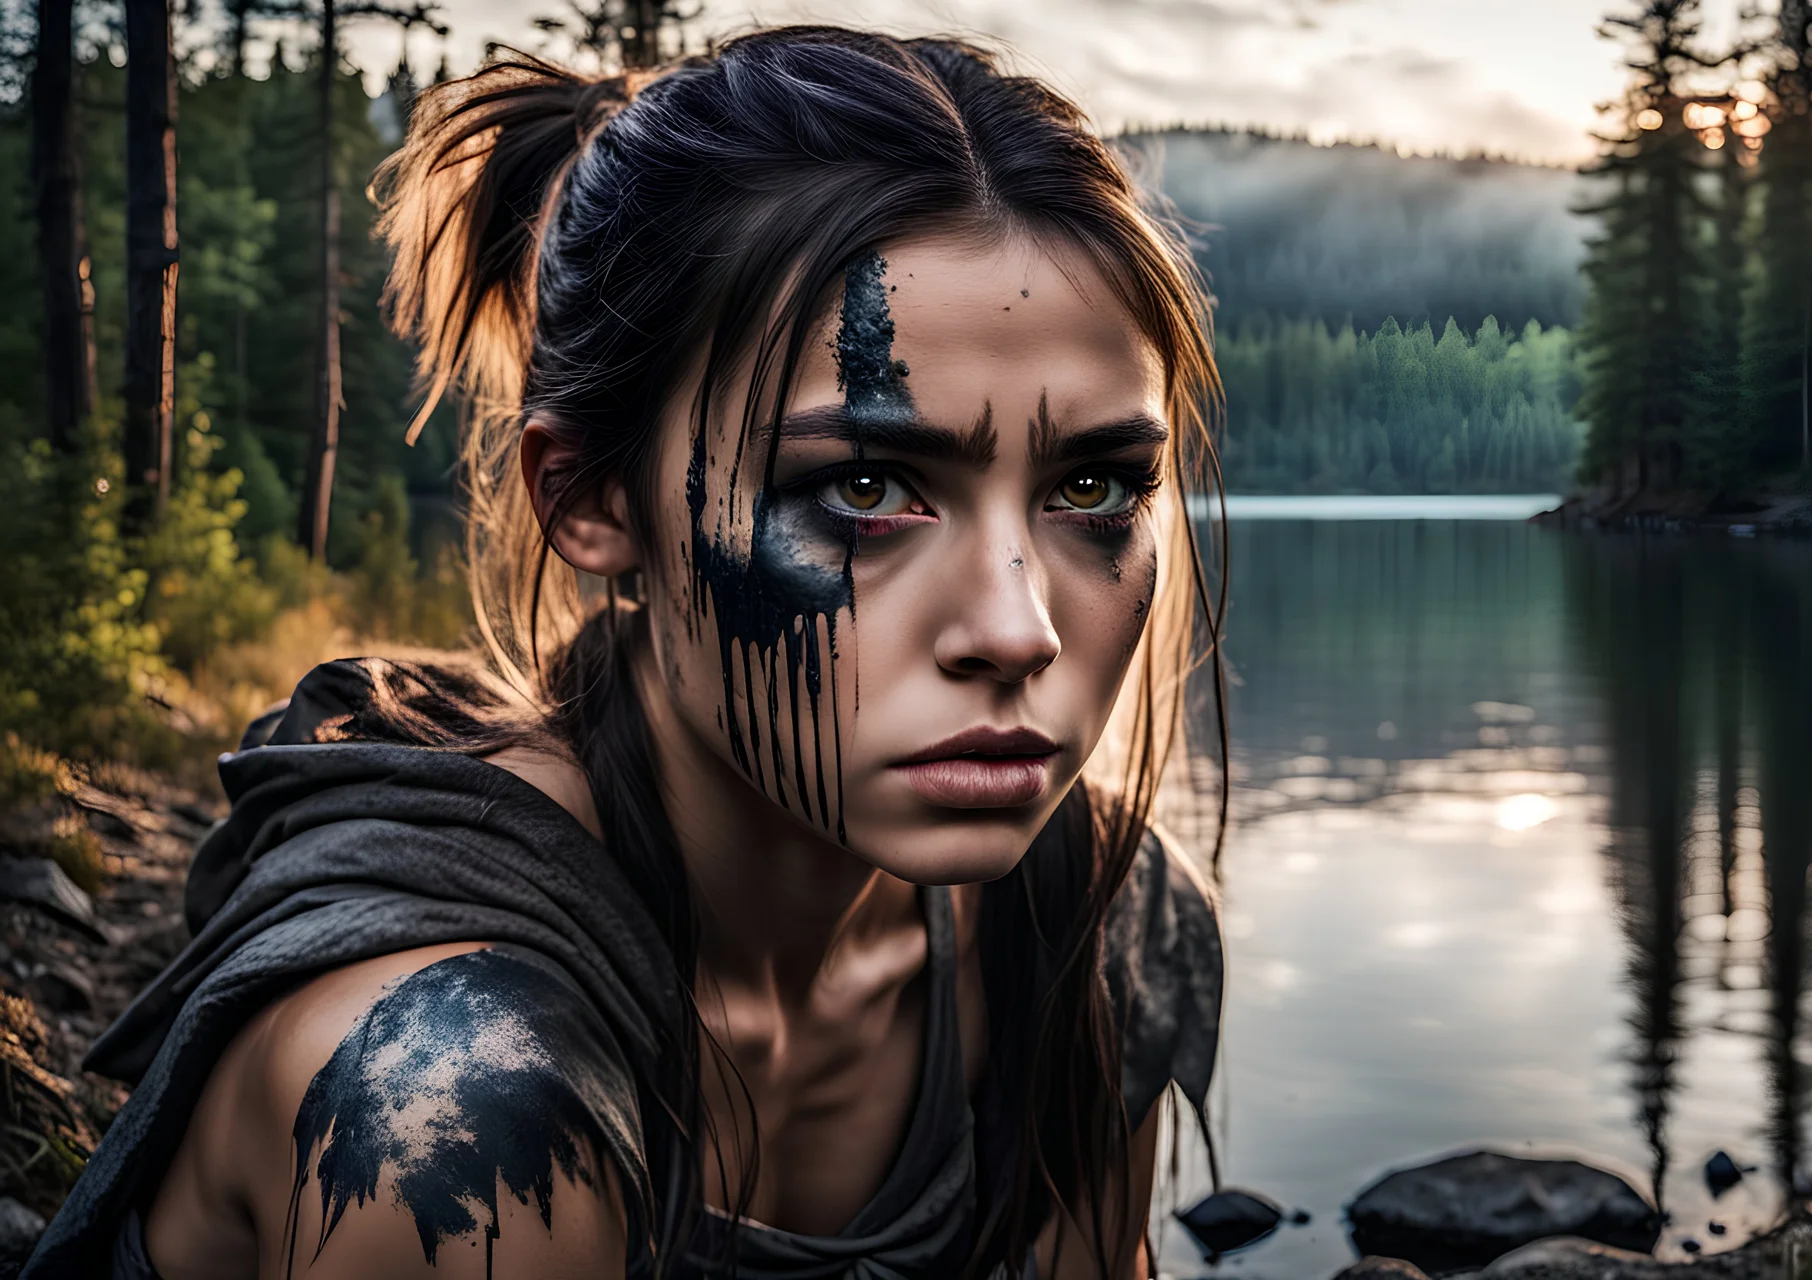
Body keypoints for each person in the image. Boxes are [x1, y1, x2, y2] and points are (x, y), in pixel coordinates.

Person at [24, 26, 1228, 1280]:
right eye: (866, 485)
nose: (1018, 628)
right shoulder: (454, 1121)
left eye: (1093, 484)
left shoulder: (1093, 922)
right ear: (594, 500)